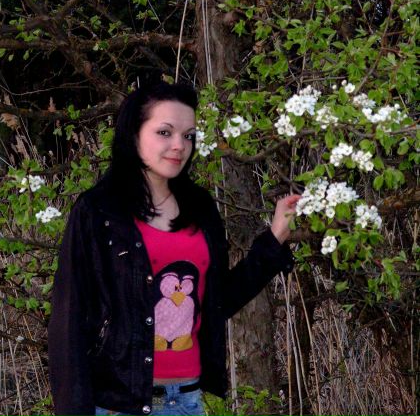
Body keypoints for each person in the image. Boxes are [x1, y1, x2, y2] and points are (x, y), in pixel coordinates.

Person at [48, 81, 300, 416]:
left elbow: (217, 301)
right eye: (164, 132)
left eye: (189, 135)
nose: (179, 145)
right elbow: (69, 320)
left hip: (185, 401)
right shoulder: (99, 211)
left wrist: (275, 238)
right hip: (117, 406)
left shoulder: (200, 207)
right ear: (133, 133)